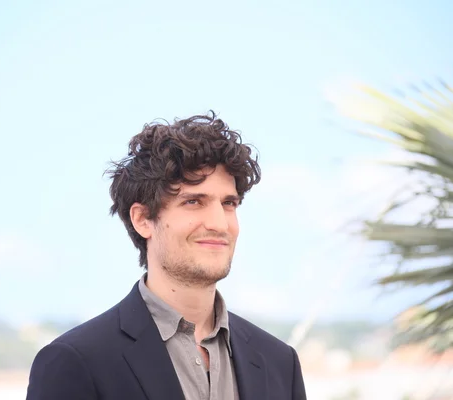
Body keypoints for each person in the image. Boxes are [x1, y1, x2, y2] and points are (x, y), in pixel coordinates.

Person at [26, 112, 307, 400]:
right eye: (194, 201)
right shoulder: (76, 363)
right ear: (143, 219)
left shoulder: (280, 363)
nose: (219, 224)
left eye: (228, 203)